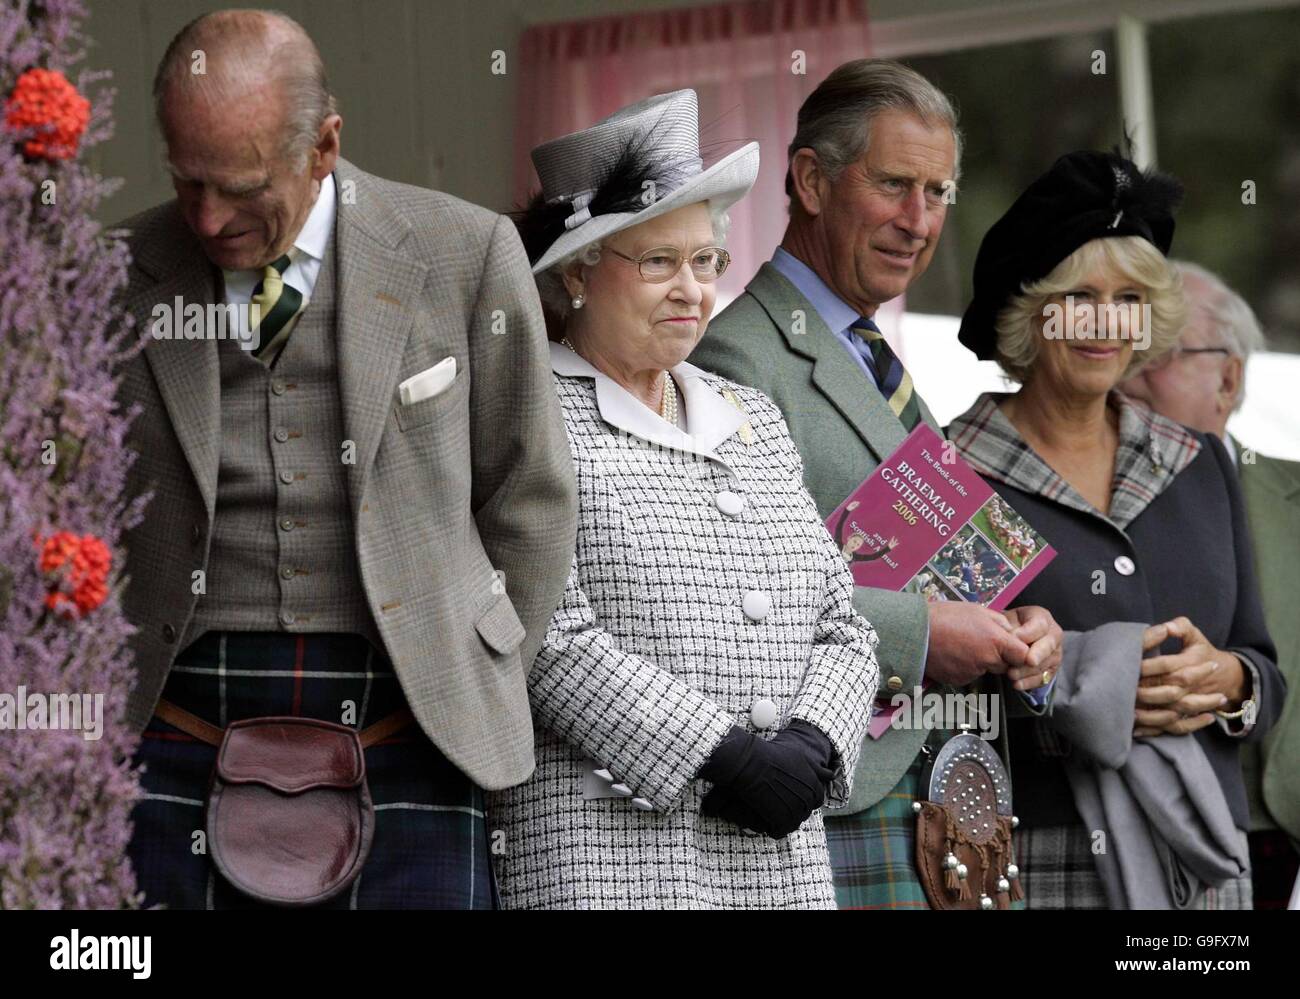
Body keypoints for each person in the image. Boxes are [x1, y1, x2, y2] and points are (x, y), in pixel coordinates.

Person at [115, 10, 577, 908]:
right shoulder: (106, 273)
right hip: (170, 713)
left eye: (242, 188)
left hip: (410, 717)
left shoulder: (464, 252)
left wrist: (467, 672)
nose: (208, 219)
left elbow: (532, 498)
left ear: (325, 146)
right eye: (187, 182)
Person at [491, 89, 880, 909]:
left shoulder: (753, 417)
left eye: (705, 261)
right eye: (659, 262)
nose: (692, 290)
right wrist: (719, 754)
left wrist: (815, 738)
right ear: (577, 273)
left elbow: (841, 622)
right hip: (606, 854)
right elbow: (544, 633)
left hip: (779, 863)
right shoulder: (525, 415)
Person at [689, 58, 1062, 908]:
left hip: (947, 791)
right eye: (895, 184)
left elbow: (948, 556)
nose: (919, 220)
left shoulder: (877, 356)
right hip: (843, 800)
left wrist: (1019, 628)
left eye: (939, 193)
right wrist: (925, 633)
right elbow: (739, 598)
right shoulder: (732, 358)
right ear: (811, 181)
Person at [947, 150, 1286, 908]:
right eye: (1080, 296)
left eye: (1129, 298)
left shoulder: (1197, 462)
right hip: (1032, 861)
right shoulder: (949, 476)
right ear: (1028, 311)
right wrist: (1091, 690)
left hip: (1206, 861)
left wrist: (1228, 683)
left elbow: (1264, 670)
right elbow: (924, 697)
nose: (1106, 322)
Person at [1122, 261, 1300, 908]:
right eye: (1122, 346)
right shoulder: (1085, 501)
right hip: (1147, 836)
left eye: (1158, 352)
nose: (1126, 370)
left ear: (1229, 377)